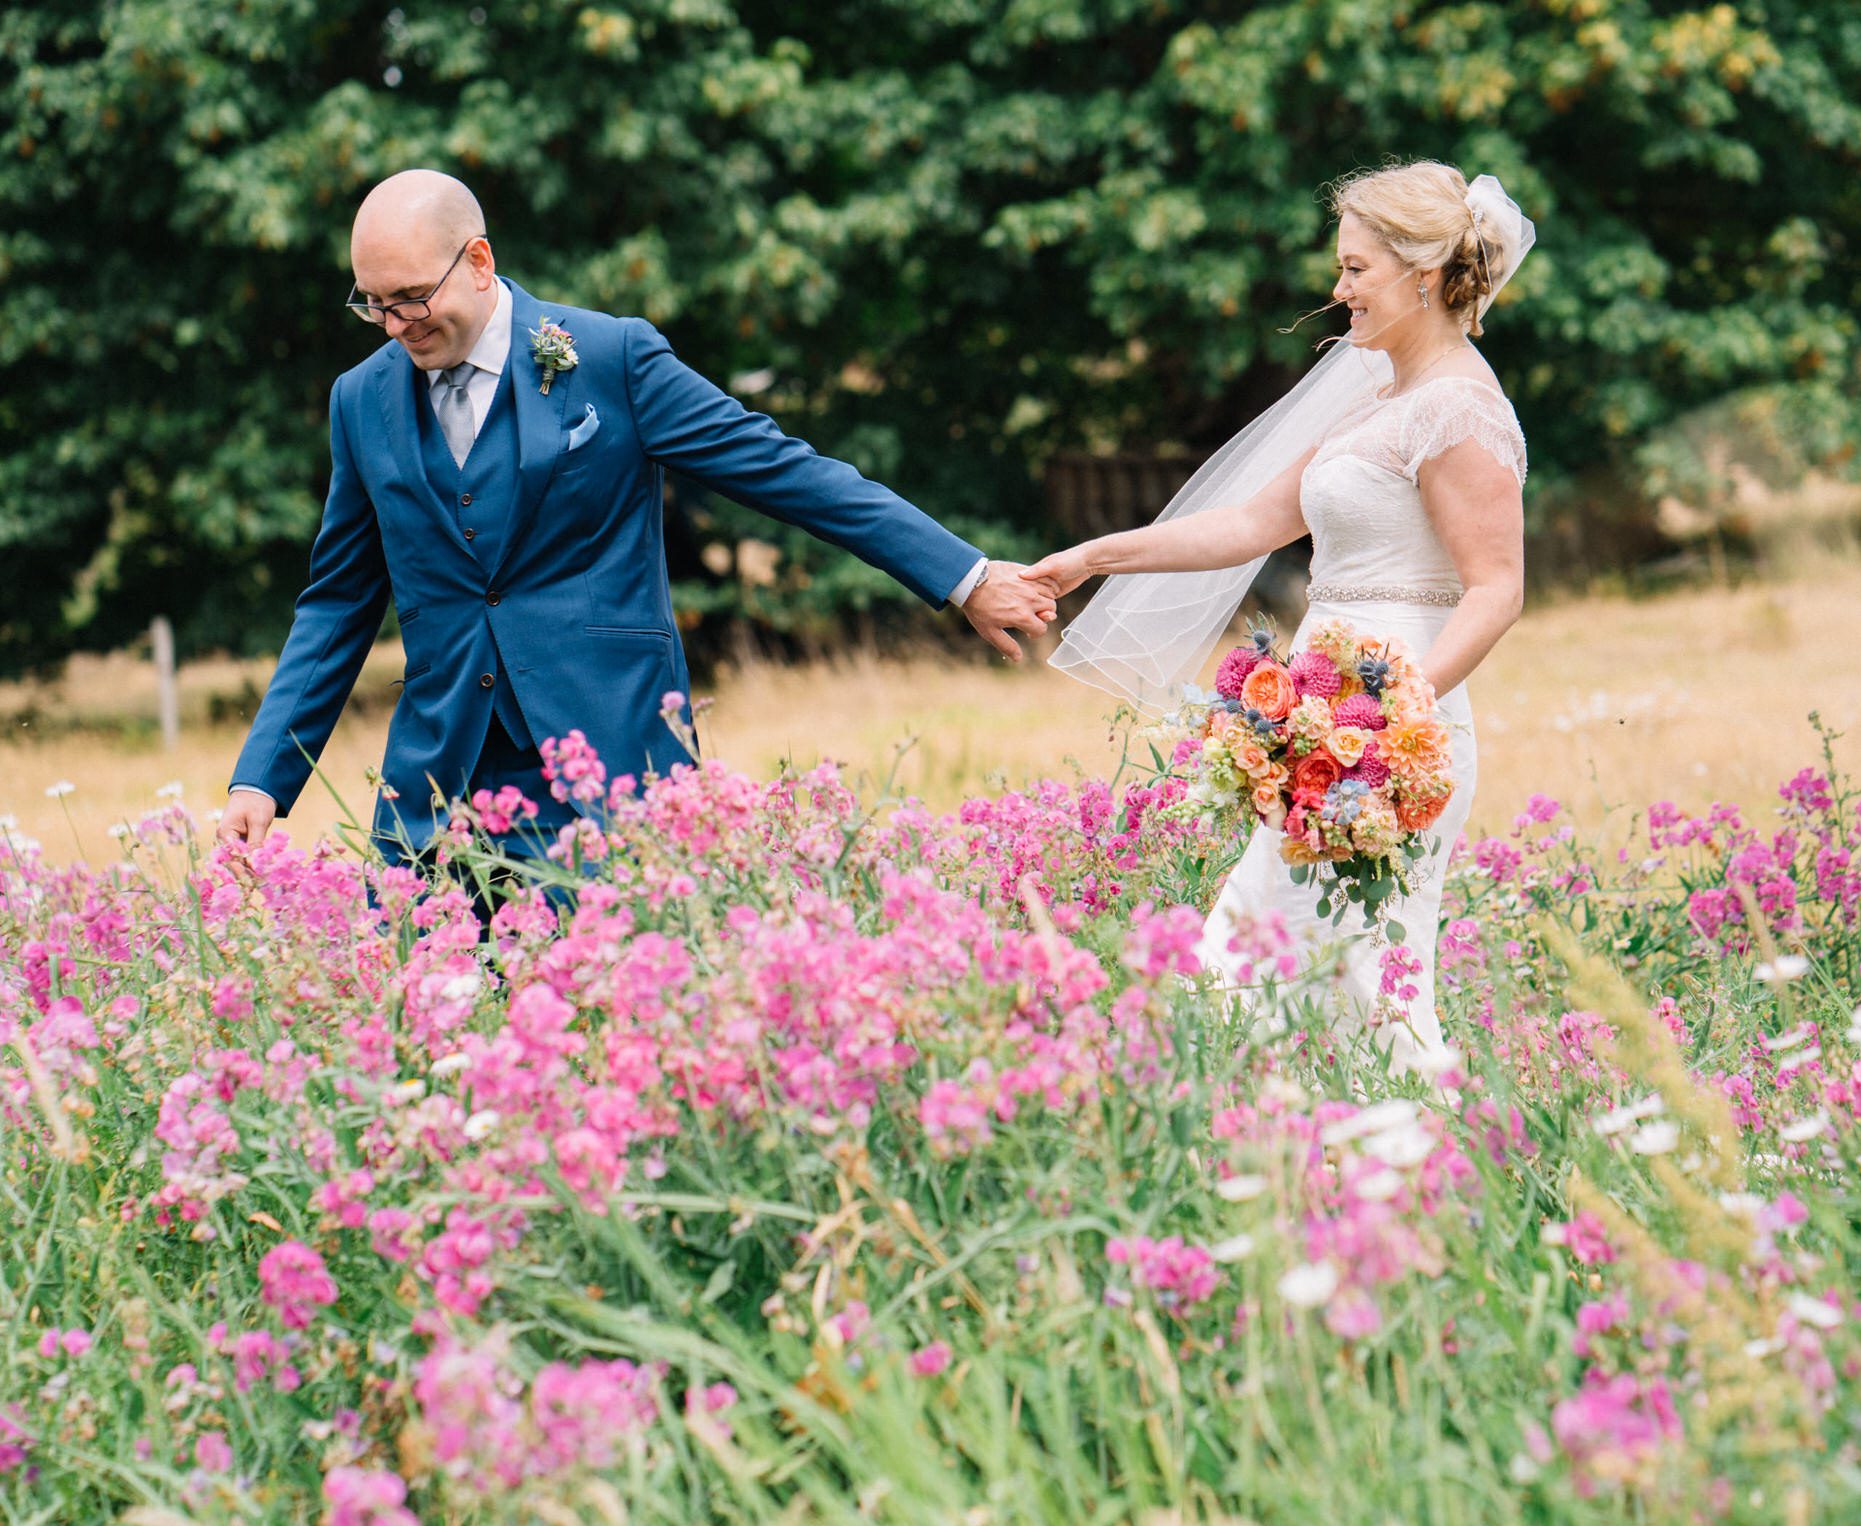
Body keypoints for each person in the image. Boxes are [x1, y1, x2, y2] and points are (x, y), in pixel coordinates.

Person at [218, 170, 1056, 872]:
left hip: (607, 764)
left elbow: (782, 470)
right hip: (438, 789)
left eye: (410, 299)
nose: (397, 327)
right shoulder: (358, 400)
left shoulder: (612, 357)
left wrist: (964, 575)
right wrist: (263, 777)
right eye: (374, 306)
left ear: (478, 261)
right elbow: (337, 603)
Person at [1026, 160, 1533, 1060]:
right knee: (1271, 974)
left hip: (1390, 737)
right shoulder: (1381, 403)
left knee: (1352, 982)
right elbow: (1254, 523)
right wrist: (1093, 559)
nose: (1338, 292)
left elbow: (1496, 589)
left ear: (1422, 275)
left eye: (1355, 270)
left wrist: (1391, 718)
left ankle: (1421, 1169)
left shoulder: (1459, 411)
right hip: (1323, 728)